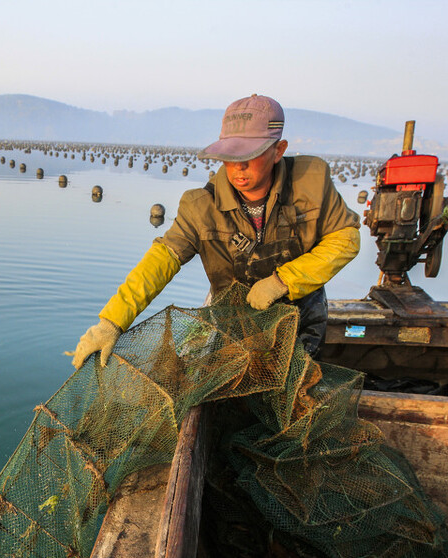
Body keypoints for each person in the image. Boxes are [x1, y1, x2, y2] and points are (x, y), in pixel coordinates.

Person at [70, 94, 361, 368]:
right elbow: (162, 260)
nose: (238, 167)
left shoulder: (311, 181)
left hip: (301, 310)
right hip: (231, 315)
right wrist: (112, 322)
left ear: (278, 151)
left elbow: (345, 238)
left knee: (297, 383)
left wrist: (283, 281)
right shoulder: (200, 205)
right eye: (230, 156)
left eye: (251, 154)